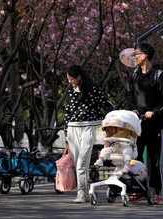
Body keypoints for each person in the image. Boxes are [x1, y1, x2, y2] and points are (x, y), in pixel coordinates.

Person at [125, 42, 163, 205]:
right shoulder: (133, 75)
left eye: (136, 54)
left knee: (154, 161)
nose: (133, 57)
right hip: (137, 125)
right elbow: (128, 95)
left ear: (144, 55)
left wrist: (154, 112)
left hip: (155, 125)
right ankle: (138, 189)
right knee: (135, 158)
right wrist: (133, 109)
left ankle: (154, 191)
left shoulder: (159, 76)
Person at [64, 65, 113, 203]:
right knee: (76, 163)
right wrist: (66, 133)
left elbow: (105, 104)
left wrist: (115, 117)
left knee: (82, 162)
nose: (70, 82)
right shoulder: (71, 91)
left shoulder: (93, 90)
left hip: (89, 127)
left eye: (71, 79)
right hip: (73, 128)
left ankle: (81, 192)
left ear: (79, 77)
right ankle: (83, 191)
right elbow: (67, 112)